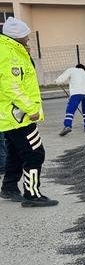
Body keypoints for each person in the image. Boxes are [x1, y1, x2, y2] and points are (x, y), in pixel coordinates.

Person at [0, 17, 58, 207]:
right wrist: (31, 109)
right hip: (18, 116)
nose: (28, 38)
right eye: (26, 36)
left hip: (11, 116)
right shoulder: (9, 55)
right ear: (17, 37)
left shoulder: (12, 51)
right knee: (35, 153)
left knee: (17, 153)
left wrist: (26, 55)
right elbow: (12, 87)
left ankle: (9, 187)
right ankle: (32, 194)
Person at [56, 63, 85, 136]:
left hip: (77, 92)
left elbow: (61, 80)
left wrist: (57, 81)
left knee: (71, 109)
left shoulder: (72, 70)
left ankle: (67, 126)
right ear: (84, 69)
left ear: (76, 67)